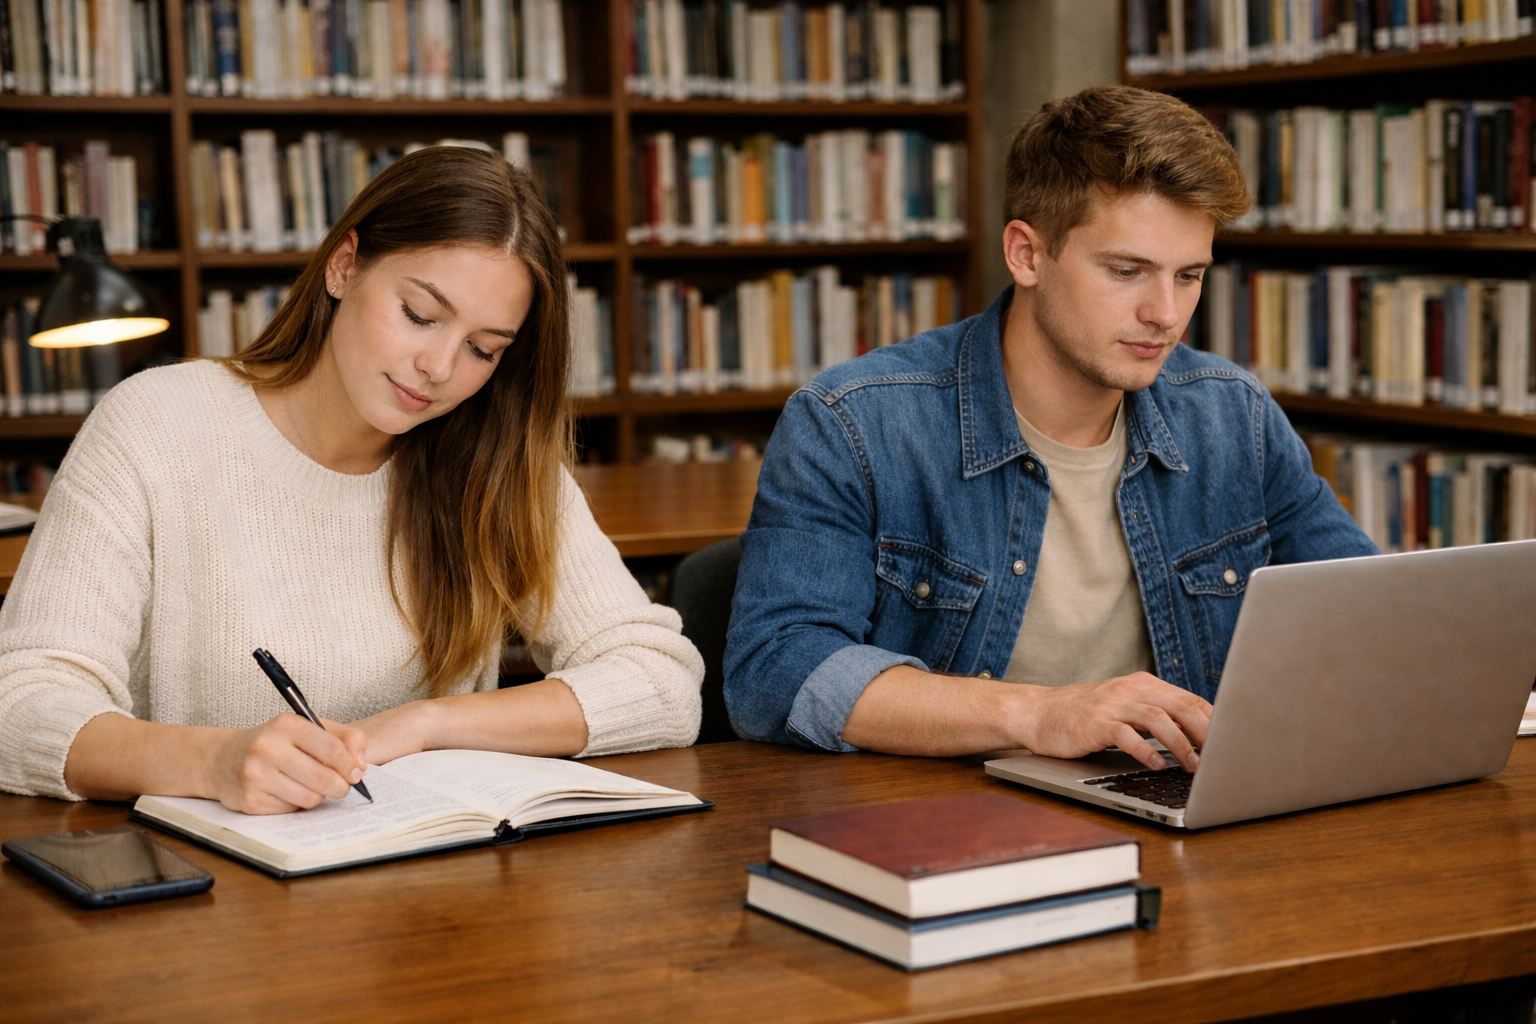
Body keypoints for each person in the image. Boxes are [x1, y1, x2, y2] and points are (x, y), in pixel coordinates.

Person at [0, 146, 703, 813]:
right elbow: (23, 704)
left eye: (483, 350)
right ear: (344, 266)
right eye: (420, 315)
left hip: (425, 896)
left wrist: (425, 724)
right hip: (209, 899)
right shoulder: (158, 426)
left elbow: (661, 683)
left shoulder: (495, 459)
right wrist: (213, 763)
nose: (439, 367)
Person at [723, 86, 1377, 770]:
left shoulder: (1233, 414)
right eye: (1126, 271)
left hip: (1174, 805)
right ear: (1026, 255)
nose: (1165, 312)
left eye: (1189, 276)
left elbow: (1370, 614)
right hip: (938, 818)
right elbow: (775, 671)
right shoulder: (851, 423)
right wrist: (1037, 712)